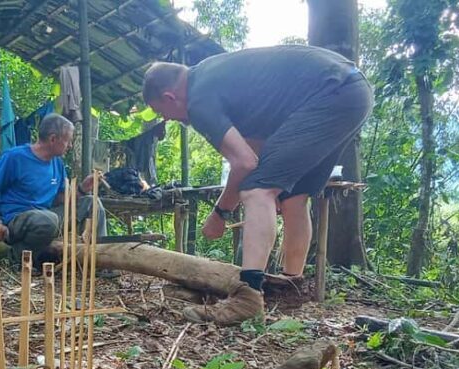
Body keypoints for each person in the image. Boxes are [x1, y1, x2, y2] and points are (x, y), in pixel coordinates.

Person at [142, 45, 374, 325]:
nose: (169, 120)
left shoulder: (198, 100)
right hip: (351, 91)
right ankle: (290, 287)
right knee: (294, 197)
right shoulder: (214, 76)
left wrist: (220, 214)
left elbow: (244, 163)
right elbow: (257, 147)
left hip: (330, 92)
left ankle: (247, 299)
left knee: (255, 189)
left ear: (169, 97)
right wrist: (272, 184)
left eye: (163, 112)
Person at [0, 113, 108, 265]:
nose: (70, 146)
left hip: (47, 218)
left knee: (92, 203)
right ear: (53, 139)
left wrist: (82, 189)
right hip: (17, 220)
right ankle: (16, 257)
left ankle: (100, 260)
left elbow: (60, 200)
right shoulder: (15, 157)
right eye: (68, 141)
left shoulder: (57, 163)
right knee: (48, 220)